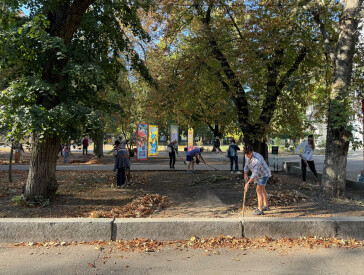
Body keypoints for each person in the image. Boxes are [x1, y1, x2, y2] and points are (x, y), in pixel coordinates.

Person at [243, 145, 271, 215]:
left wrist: (248, 183)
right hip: (259, 174)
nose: (248, 156)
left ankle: (260, 209)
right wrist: (245, 174)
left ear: (252, 152)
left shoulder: (257, 160)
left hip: (264, 174)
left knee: (258, 190)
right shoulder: (246, 155)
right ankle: (266, 205)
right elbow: (246, 166)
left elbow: (254, 174)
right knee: (262, 189)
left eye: (249, 154)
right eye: (246, 155)